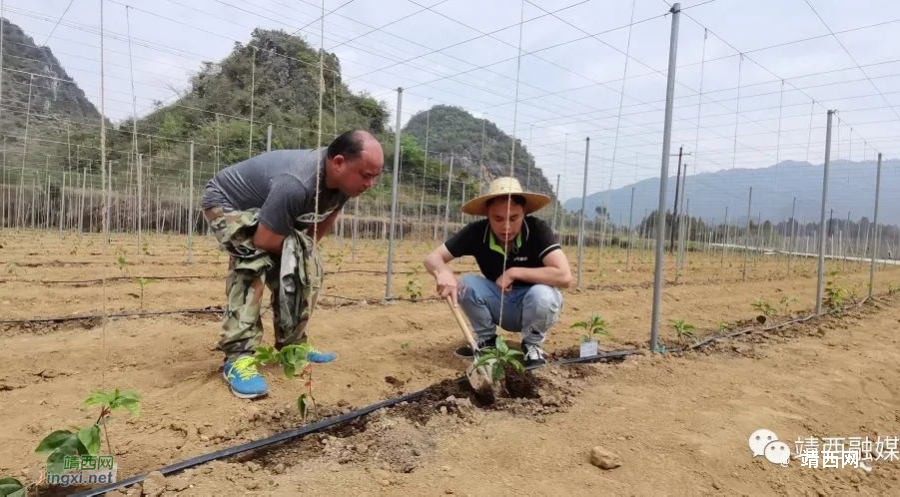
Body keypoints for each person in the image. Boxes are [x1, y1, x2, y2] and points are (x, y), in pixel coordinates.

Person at [202, 130, 384, 398]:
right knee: (253, 262)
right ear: (339, 162)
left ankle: (292, 343)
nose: (370, 183)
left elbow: (324, 217)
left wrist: (303, 254)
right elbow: (264, 240)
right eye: (366, 175)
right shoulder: (296, 182)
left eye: (375, 176)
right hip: (229, 203)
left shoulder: (345, 183)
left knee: (300, 265)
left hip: (270, 207)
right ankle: (238, 357)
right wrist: (293, 253)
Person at [424, 177, 572, 367]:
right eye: (498, 218)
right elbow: (431, 259)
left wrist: (514, 272)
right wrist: (444, 272)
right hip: (499, 300)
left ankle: (532, 346)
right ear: (487, 214)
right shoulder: (477, 232)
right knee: (467, 284)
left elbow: (564, 276)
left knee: (543, 295)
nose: (506, 227)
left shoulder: (536, 230)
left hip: (533, 305)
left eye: (514, 218)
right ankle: (487, 343)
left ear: (524, 213)